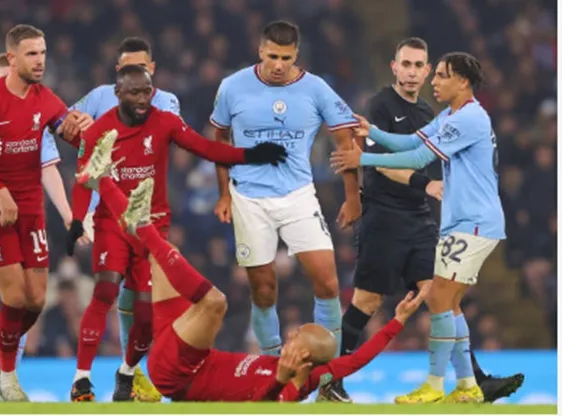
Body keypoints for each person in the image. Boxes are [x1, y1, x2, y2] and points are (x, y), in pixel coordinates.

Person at [73, 138, 426, 403]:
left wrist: (280, 381)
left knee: (214, 302)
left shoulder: (294, 388)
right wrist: (398, 320)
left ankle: (132, 215)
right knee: (162, 254)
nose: (294, 330)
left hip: (180, 375)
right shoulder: (318, 373)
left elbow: (260, 408)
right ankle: (101, 180)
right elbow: (359, 359)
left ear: (304, 353)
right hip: (188, 352)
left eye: (301, 331)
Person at [66, 64, 287, 402]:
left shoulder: (165, 122)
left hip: (152, 225)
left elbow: (205, 148)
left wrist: (251, 155)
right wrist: (76, 220)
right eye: (135, 92)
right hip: (113, 222)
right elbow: (85, 177)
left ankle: (126, 373)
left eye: (148, 91)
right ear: (118, 93)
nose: (143, 98)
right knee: (106, 288)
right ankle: (81, 380)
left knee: (143, 314)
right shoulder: (99, 130)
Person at [331, 38, 523, 403]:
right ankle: (467, 385)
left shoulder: (465, 117)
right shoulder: (431, 112)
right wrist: (372, 133)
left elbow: (417, 158)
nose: (427, 78)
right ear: (394, 66)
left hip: (463, 221)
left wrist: (364, 161)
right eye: (411, 65)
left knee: (439, 299)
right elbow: (407, 145)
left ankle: (443, 385)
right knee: (393, 301)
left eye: (435, 72)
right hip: (391, 218)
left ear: (462, 81)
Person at [210, 20, 361, 401]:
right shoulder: (232, 87)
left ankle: (330, 381)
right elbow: (220, 141)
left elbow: (345, 138)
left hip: (297, 196)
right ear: (261, 51)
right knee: (263, 291)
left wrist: (353, 196)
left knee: (327, 282)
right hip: (249, 201)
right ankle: (273, 375)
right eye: (273, 56)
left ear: (297, 56)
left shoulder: (315, 88)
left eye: (287, 58)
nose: (279, 65)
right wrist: (224, 194)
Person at [0, 24, 90, 401]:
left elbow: (68, 131)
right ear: (11, 59)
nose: (40, 61)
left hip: (29, 205)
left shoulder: (45, 98)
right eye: (32, 54)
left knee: (35, 299)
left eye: (43, 53)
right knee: (13, 298)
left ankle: (0, 348)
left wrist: (83, 129)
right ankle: (9, 378)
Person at [43, 36, 179, 402]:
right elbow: (63, 127)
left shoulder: (166, 102)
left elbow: (157, 142)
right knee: (109, 290)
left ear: (152, 70)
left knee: (139, 298)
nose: (136, 76)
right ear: (117, 74)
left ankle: (130, 373)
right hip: (104, 214)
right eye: (126, 69)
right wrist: (78, 128)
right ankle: (95, 377)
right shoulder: (98, 96)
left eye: (143, 68)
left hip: (147, 214)